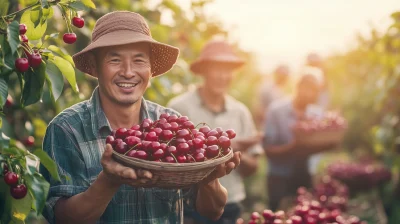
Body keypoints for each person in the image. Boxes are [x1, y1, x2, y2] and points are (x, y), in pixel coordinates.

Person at [41, 11, 241, 224]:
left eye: (139, 60)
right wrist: (108, 181)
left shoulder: (171, 123)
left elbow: (212, 211)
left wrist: (208, 180)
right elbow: (63, 218)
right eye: (115, 60)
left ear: (150, 68)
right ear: (96, 65)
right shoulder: (67, 129)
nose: (128, 72)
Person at [168, 40, 263, 224]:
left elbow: (253, 167)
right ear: (203, 71)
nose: (222, 76)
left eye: (228, 70)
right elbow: (169, 160)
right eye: (216, 69)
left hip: (231, 203)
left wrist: (230, 152)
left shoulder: (240, 111)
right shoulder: (179, 107)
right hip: (189, 204)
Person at [263, 71, 337, 211]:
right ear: (298, 86)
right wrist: (294, 147)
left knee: (304, 212)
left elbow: (318, 144)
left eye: (317, 90)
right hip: (280, 176)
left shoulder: (316, 113)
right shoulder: (276, 110)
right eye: (310, 88)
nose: (314, 94)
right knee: (278, 213)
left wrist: (326, 144)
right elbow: (267, 149)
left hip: (305, 174)